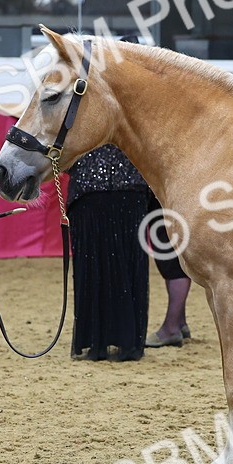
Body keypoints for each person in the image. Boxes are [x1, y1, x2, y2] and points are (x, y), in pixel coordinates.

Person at [67, 144, 152, 362]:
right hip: (127, 187)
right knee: (128, 268)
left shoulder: (75, 111)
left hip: (90, 187)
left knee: (94, 268)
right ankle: (128, 340)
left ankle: (98, 340)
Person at [144, 192, 193, 348]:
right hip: (174, 188)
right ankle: (179, 321)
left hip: (167, 189)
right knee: (169, 248)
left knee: (170, 253)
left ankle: (171, 328)